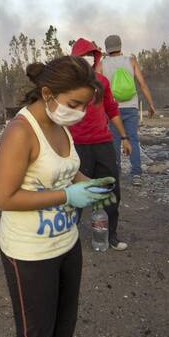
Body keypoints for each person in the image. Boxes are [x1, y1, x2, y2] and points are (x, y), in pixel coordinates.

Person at [0, 55, 116, 337]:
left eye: (85, 105)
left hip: (66, 244)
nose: (80, 113)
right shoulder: (21, 131)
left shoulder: (62, 125)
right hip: (28, 254)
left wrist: (90, 185)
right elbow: (5, 197)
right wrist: (68, 194)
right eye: (75, 103)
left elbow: (66, 169)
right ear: (48, 94)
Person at [67, 38, 133, 251]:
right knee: (76, 190)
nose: (87, 60)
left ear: (95, 59)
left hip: (103, 144)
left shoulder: (102, 82)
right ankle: (69, 235)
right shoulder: (67, 84)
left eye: (91, 56)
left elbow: (112, 111)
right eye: (82, 57)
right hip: (77, 145)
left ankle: (110, 235)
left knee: (109, 188)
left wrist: (124, 137)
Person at [102, 34, 156, 184]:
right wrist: (151, 104)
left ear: (107, 48)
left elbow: (97, 88)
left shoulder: (102, 64)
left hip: (112, 110)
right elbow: (142, 84)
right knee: (132, 139)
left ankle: (115, 174)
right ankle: (136, 174)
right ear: (120, 46)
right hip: (131, 107)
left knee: (114, 141)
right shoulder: (131, 60)